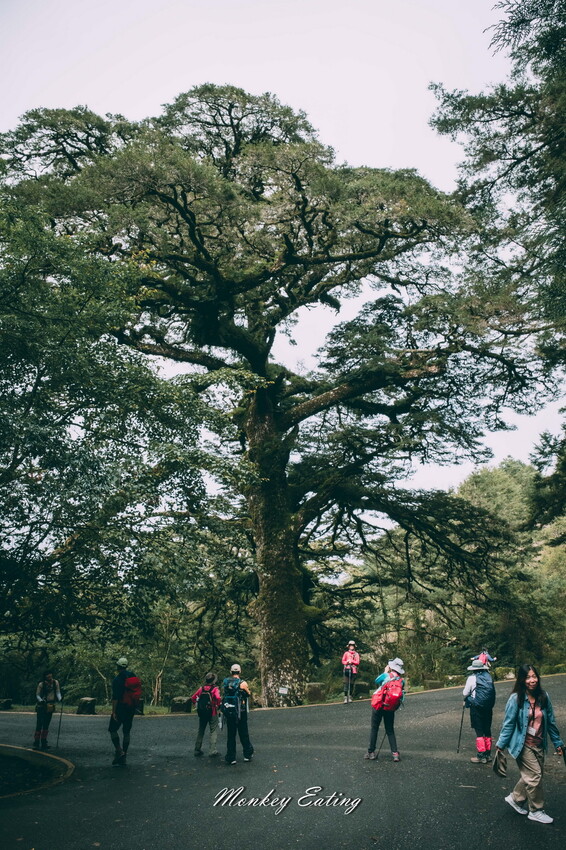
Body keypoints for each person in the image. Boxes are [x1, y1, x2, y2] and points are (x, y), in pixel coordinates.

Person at [496, 663, 564, 825]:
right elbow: (509, 724)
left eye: (534, 676)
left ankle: (515, 798)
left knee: (533, 775)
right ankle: (536, 810)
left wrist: (558, 743)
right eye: (528, 677)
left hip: (539, 743)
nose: (532, 680)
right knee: (534, 776)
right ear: (522, 680)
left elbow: (551, 722)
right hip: (522, 744)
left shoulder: (543, 696)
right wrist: (500, 744)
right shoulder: (516, 699)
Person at [364, 657, 405, 762]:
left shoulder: (386, 675)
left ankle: (371, 752)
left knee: (374, 728)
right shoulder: (401, 681)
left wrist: (385, 672)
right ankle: (395, 754)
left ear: (391, 667)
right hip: (390, 708)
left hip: (379, 706)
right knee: (390, 730)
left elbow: (376, 681)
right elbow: (401, 697)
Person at [463, 658, 496, 763]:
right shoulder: (489, 677)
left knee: (479, 730)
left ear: (473, 669)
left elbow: (465, 693)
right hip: (488, 707)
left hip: (476, 707)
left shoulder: (472, 678)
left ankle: (481, 755)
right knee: (487, 729)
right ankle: (488, 754)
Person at [221, 663, 254, 765]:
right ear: (240, 671)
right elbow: (248, 694)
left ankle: (231, 757)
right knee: (243, 732)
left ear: (231, 672)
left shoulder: (226, 682)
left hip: (229, 711)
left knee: (231, 734)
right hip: (241, 711)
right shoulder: (242, 683)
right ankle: (247, 755)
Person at [108, 656, 138, 766]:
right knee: (126, 732)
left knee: (112, 729)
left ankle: (119, 750)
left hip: (120, 708)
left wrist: (114, 711)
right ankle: (124, 755)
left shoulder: (117, 680)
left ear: (118, 666)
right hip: (130, 708)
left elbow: (115, 697)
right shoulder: (133, 676)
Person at [191, 672, 221, 757]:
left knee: (201, 730)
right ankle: (212, 750)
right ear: (214, 680)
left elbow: (193, 698)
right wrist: (218, 705)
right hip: (212, 711)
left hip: (202, 712)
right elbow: (218, 698)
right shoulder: (215, 689)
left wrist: (197, 706)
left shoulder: (202, 689)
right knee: (213, 730)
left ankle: (197, 749)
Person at [33, 671, 62, 750]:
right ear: (45, 677)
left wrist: (60, 699)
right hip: (41, 706)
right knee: (39, 724)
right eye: (48, 677)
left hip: (50, 705)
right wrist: (41, 700)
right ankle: (36, 742)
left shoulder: (55, 683)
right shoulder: (41, 684)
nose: (50, 678)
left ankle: (44, 741)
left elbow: (58, 692)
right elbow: (37, 695)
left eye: (51, 677)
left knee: (46, 724)